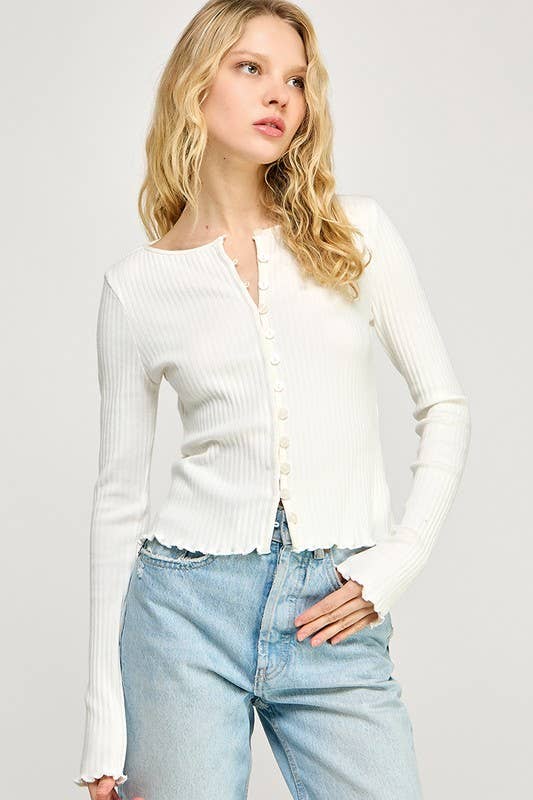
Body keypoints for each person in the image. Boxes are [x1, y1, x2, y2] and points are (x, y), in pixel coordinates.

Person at [74, 1, 471, 798]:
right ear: (195, 85)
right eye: (250, 69)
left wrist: (398, 559)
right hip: (183, 615)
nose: (279, 96)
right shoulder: (138, 286)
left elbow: (444, 406)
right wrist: (103, 729)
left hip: (332, 605)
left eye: (295, 79)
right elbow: (118, 501)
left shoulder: (355, 235)